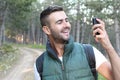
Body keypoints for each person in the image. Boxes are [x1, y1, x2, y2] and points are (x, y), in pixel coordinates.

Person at [34, 5, 114, 80]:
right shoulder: (39, 64)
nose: (67, 25)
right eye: (59, 22)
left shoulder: (89, 52)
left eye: (66, 20)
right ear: (47, 30)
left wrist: (108, 46)